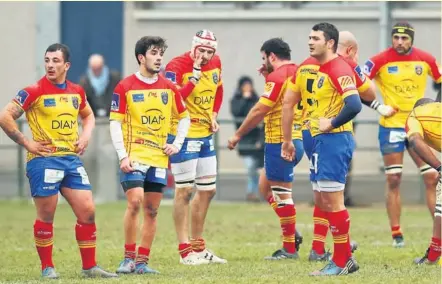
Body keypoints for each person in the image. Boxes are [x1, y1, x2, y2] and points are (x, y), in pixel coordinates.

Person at [0, 43, 117, 279]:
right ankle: (47, 268)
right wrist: (26, 142)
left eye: (55, 61)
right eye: (47, 60)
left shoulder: (76, 91)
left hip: (71, 161)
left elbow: (88, 114)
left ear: (67, 65)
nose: (50, 65)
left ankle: (89, 267)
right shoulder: (33, 90)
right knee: (47, 216)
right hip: (44, 161)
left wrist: (85, 136)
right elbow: (5, 116)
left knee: (88, 211)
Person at [281, 23, 362, 275]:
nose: (310, 41)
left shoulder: (338, 68)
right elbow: (290, 102)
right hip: (318, 141)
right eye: (309, 37)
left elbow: (355, 104)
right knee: (325, 199)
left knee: (333, 200)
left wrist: (332, 122)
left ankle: (341, 262)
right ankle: (343, 256)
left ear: (330, 43)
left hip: (334, 140)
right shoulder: (312, 67)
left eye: (315, 38)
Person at [110, 36, 190, 274]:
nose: (159, 58)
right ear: (141, 57)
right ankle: (127, 259)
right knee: (135, 202)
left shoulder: (168, 87)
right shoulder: (124, 86)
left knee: (152, 211)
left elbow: (184, 117)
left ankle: (142, 262)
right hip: (134, 155)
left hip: (158, 158)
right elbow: (115, 124)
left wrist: (176, 144)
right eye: (154, 53)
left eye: (161, 54)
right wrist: (122, 156)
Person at [363, 22, 441, 247]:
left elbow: (440, 82)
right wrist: (378, 107)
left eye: (404, 38)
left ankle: (438, 232)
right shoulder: (378, 60)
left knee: (432, 177)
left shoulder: (426, 59)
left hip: (419, 125)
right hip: (392, 126)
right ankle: (397, 234)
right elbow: (357, 85)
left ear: (411, 40)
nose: (399, 42)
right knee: (394, 178)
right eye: (396, 38)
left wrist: (436, 110)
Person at [228, 38, 304, 260]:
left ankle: (289, 249)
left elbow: (259, 109)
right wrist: (266, 76)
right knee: (265, 188)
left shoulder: (278, 76)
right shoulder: (298, 71)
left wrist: (237, 135)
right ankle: (292, 231)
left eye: (264, 58)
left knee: (282, 194)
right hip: (296, 138)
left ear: (272, 56)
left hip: (280, 141)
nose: (263, 63)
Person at [164, 30, 226, 265]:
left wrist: (214, 113)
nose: (206, 56)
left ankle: (199, 248)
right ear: (193, 48)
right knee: (184, 190)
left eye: (210, 52)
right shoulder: (176, 65)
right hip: (183, 134)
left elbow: (218, 90)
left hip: (205, 134)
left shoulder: (216, 62)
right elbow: (173, 99)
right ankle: (184, 251)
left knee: (208, 190)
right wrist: (195, 76)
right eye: (202, 51)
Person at [405, 98, 441, 266]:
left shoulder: (414, 116)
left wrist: (439, 167)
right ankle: (434, 253)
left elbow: (415, 141)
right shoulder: (437, 109)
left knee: (440, 206)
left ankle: (434, 254)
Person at [230, 76, 264, 202]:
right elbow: (236, 112)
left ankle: (256, 192)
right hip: (244, 139)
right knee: (250, 167)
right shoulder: (237, 99)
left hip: (257, 139)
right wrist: (244, 99)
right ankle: (251, 192)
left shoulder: (256, 99)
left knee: (257, 168)